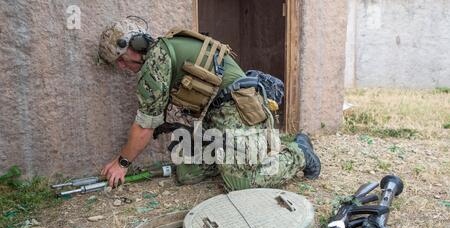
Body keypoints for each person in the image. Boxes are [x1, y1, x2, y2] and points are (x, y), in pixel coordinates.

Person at [98, 17, 321, 191]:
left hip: (238, 109)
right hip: (219, 115)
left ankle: (299, 153)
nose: (121, 67)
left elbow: (144, 126)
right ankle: (235, 161)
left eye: (120, 59)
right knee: (187, 172)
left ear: (135, 45)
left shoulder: (157, 59)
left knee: (243, 183)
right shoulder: (162, 53)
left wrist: (122, 163)